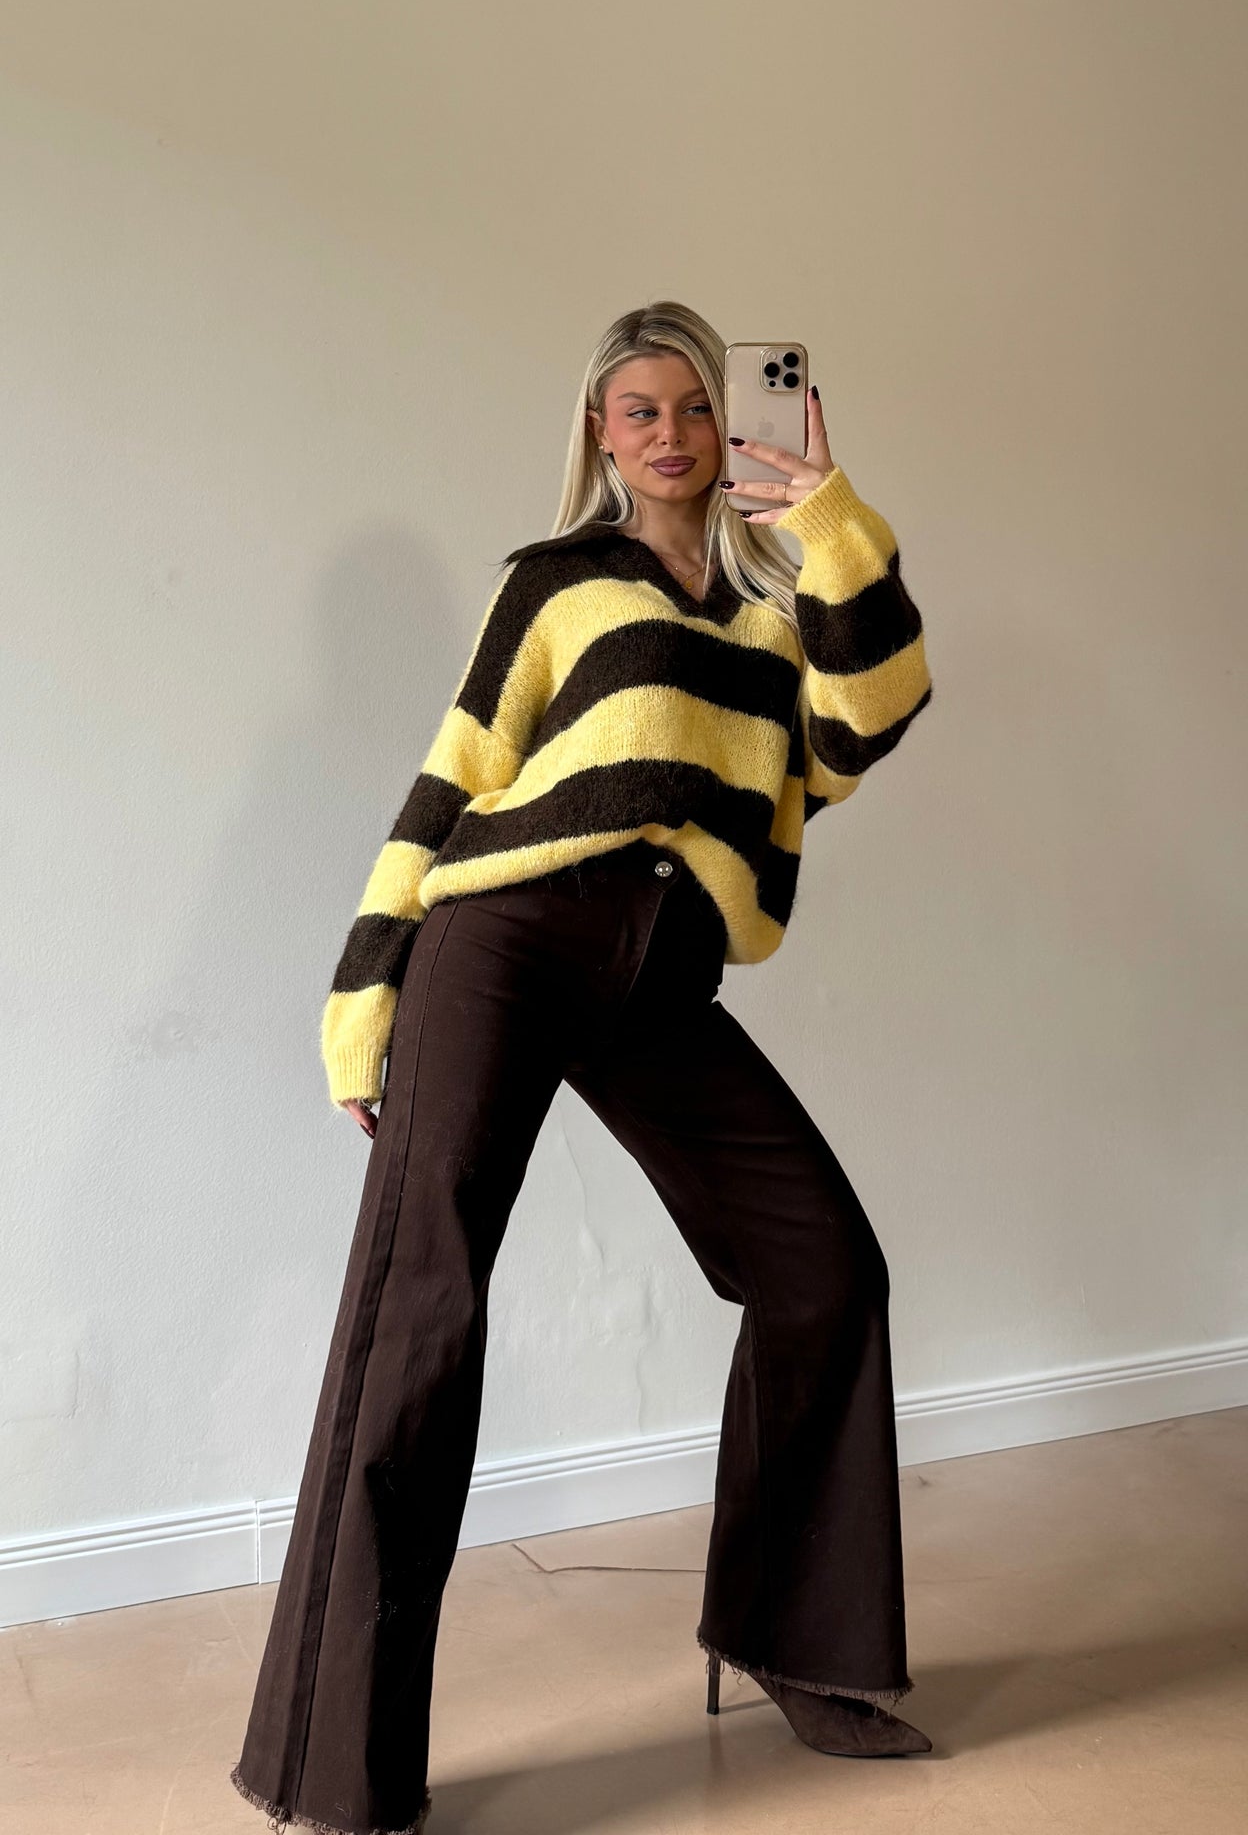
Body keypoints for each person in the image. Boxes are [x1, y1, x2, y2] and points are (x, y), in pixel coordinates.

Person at [230, 300, 935, 1835]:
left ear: (728, 423)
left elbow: (870, 723)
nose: (671, 434)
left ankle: (792, 1642)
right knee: (422, 1313)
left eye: (693, 406)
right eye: (638, 411)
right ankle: (337, 1767)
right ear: (600, 436)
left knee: (822, 1268)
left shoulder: (779, 614)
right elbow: (453, 778)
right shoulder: (554, 583)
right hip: (508, 939)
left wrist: (824, 514)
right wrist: (364, 994)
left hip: (662, 973)